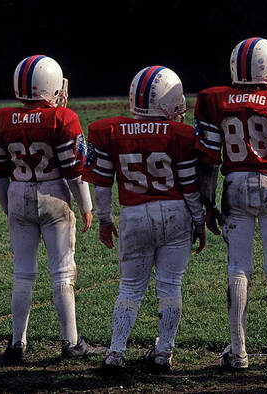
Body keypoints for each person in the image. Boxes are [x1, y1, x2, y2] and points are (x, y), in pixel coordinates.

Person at [194, 37, 267, 370]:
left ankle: (238, 351)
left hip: (234, 186)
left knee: (238, 269)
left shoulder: (217, 100)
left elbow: (208, 158)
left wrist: (207, 203)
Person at [83, 66, 207, 371]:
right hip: (175, 212)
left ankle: (115, 352)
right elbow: (190, 186)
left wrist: (103, 218)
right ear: (164, 104)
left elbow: (101, 182)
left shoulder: (109, 130)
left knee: (129, 287)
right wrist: (200, 221)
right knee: (170, 285)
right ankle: (164, 352)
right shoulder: (181, 134)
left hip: (134, 214)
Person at [0, 55, 105, 363]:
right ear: (50, 86)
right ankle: (71, 342)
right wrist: (86, 206)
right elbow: (74, 172)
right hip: (53, 194)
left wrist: (7, 206)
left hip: (17, 192)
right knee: (63, 271)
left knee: (23, 273)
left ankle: (16, 344)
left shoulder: (0, 119)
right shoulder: (62, 119)